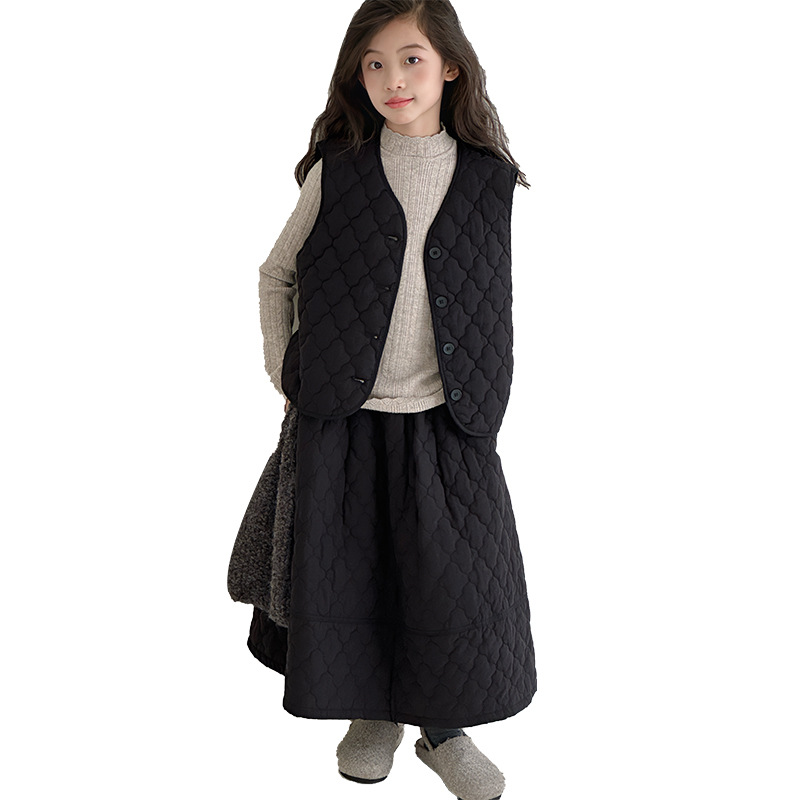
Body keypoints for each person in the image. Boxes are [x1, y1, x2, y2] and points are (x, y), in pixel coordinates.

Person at [247, 1, 536, 797]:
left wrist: (489, 390)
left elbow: (491, 297)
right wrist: (285, 371)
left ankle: (443, 731)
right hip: (342, 416)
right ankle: (372, 713)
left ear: (450, 66)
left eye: (410, 58)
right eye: (373, 63)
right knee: (353, 574)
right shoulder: (338, 172)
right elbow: (276, 273)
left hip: (449, 421)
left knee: (449, 585)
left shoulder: (488, 179)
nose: (392, 78)